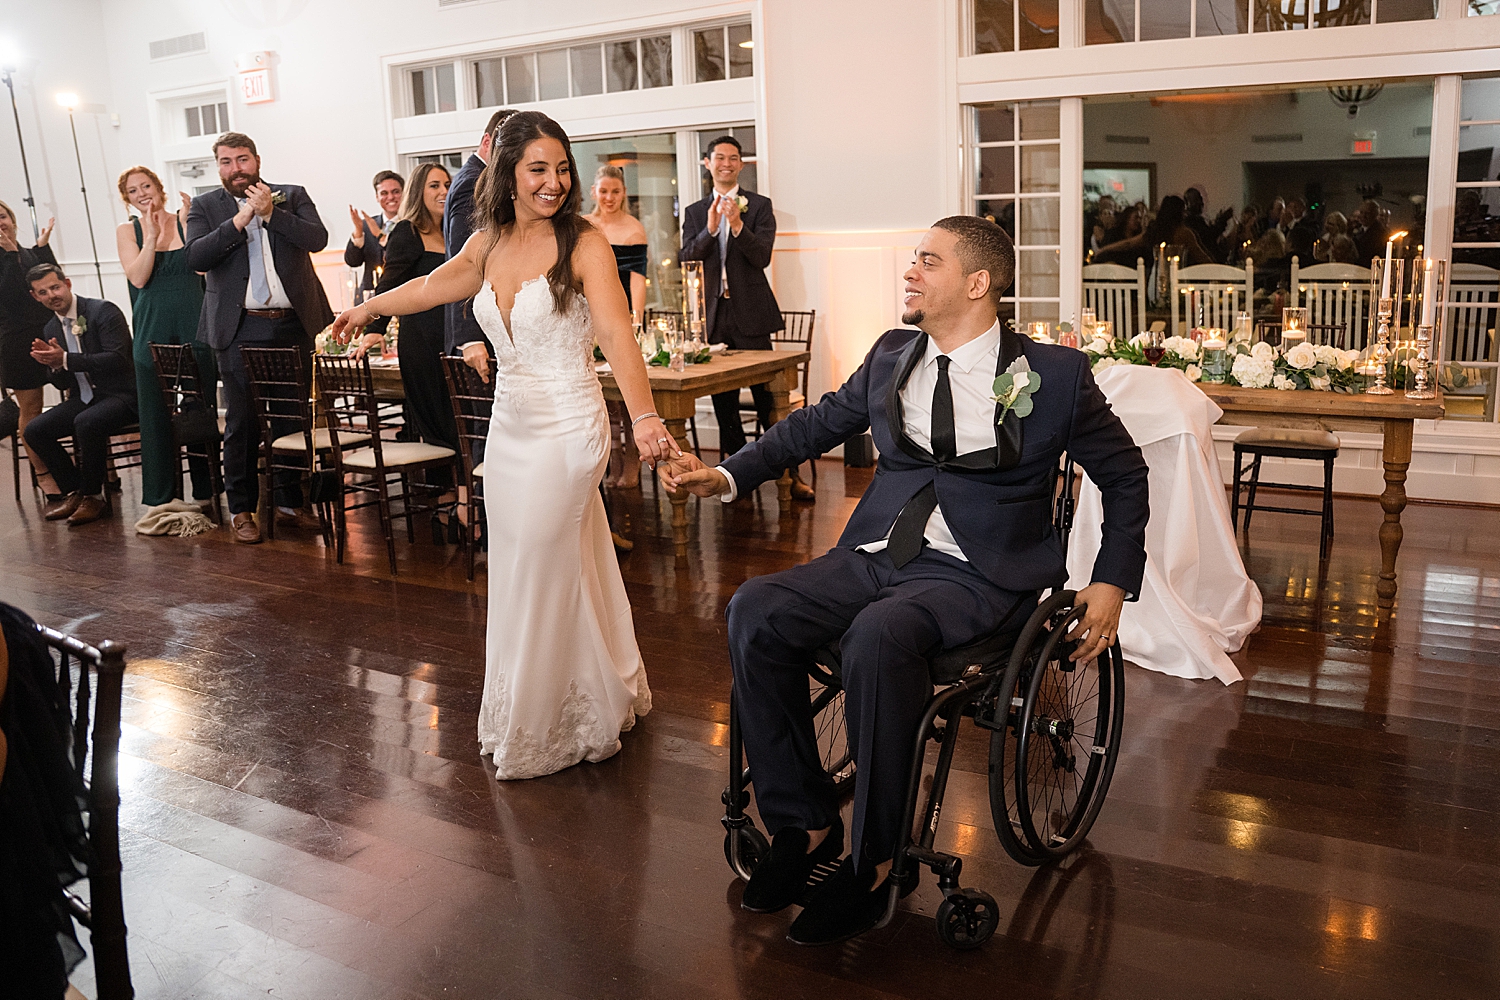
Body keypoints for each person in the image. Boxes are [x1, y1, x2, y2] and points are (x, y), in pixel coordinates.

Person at [660, 216, 1149, 946]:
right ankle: (804, 822)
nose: (910, 273)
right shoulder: (893, 354)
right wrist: (727, 474)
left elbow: (1126, 476)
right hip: (878, 551)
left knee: (879, 635)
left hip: (980, 571)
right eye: (912, 259)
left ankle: (876, 861)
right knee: (755, 608)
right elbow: (813, 425)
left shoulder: (1055, 375)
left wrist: (1111, 581)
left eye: (928, 261)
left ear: (978, 284)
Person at [330, 111, 674, 779]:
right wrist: (370, 307)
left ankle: (549, 722)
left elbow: (616, 334)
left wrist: (645, 418)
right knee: (525, 564)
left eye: (561, 169)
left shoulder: (585, 244)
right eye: (538, 169)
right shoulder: (487, 244)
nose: (553, 182)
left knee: (544, 559)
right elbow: (434, 286)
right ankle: (594, 688)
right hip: (511, 426)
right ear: (507, 174)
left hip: (571, 425)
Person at [186, 131, 334, 544]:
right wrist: (240, 221)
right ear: (219, 167)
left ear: (257, 160)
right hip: (238, 327)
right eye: (227, 161)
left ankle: (290, 504)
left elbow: (317, 239)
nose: (236, 168)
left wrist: (271, 214)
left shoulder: (291, 194)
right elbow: (195, 256)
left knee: (292, 418)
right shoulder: (205, 206)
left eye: (243, 159)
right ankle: (242, 510)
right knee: (243, 422)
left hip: (292, 323)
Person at [352, 162, 462, 539]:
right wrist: (375, 328)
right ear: (419, 190)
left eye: (448, 183)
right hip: (422, 342)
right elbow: (392, 285)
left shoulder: (459, 231)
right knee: (438, 425)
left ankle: (464, 500)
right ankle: (444, 501)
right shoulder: (407, 232)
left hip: (456, 340)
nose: (443, 190)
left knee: (460, 421)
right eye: (434, 185)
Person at [115, 165, 220, 512]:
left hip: (195, 319)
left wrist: (189, 226)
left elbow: (203, 268)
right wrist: (150, 238)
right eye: (133, 190)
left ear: (159, 188)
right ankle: (161, 497)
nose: (142, 193)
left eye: (146, 185)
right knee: (156, 413)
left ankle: (208, 490)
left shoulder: (185, 218)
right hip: (152, 324)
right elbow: (140, 278)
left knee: (199, 406)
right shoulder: (127, 230)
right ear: (127, 199)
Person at [679, 137, 787, 460]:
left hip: (751, 314)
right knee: (724, 405)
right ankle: (740, 473)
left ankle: (788, 472)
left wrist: (738, 225)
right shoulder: (696, 212)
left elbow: (762, 257)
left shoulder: (760, 206)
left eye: (734, 158)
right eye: (720, 158)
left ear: (741, 165)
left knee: (767, 398)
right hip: (713, 316)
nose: (727, 163)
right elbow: (687, 259)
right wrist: (710, 231)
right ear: (707, 164)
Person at [22, 264, 138, 527]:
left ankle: (95, 497)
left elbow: (117, 359)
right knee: (35, 430)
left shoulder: (102, 311)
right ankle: (77, 492)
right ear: (35, 296)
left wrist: (65, 358)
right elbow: (64, 382)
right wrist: (54, 366)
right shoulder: (51, 328)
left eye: (55, 287)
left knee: (86, 421)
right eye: (43, 292)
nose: (52, 295)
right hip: (83, 398)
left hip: (122, 395)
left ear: (68, 284)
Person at [582, 164, 648, 488]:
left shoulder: (634, 229)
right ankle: (612, 460)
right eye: (603, 191)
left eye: (616, 191)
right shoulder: (582, 226)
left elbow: (638, 280)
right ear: (593, 192)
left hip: (618, 314)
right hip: (587, 314)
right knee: (603, 399)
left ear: (624, 194)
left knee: (625, 394)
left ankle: (632, 461)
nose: (609, 197)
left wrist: (635, 319)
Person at [445, 108, 519, 357]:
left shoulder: (482, 178)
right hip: (480, 336)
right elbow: (463, 261)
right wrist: (470, 338)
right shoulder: (473, 182)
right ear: (487, 142)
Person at [0, 201, 59, 500]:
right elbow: (12, 296)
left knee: (78, 395)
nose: (0, 223)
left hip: (50, 334)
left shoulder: (23, 251)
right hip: (15, 344)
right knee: (31, 410)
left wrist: (43, 248)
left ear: (12, 218)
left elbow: (51, 281)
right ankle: (44, 474)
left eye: (2, 216)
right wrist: (10, 255)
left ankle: (86, 467)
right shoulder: (10, 254)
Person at [344, 169, 404, 302]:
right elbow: (353, 261)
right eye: (384, 193)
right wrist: (358, 232)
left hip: (402, 296)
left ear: (404, 193)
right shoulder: (367, 225)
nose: (390, 197)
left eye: (396, 192)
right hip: (370, 296)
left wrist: (380, 235)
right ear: (377, 197)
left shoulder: (412, 225)